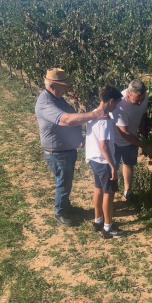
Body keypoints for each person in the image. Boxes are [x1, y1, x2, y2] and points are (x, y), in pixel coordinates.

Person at [35, 68, 108, 226]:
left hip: (66, 151)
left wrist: (77, 137)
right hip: (58, 153)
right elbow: (67, 120)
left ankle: (66, 206)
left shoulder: (56, 97)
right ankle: (60, 212)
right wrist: (95, 114)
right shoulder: (45, 103)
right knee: (63, 182)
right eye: (63, 85)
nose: (65, 88)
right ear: (52, 85)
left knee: (66, 181)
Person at [86, 85, 125, 239]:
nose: (116, 107)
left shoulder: (93, 115)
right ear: (110, 101)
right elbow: (104, 145)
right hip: (103, 161)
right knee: (109, 193)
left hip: (93, 159)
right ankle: (108, 228)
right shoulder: (105, 120)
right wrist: (112, 165)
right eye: (116, 104)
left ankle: (98, 220)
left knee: (98, 189)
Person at [112, 79, 152, 202]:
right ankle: (109, 194)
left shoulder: (143, 97)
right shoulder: (119, 105)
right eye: (136, 100)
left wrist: (143, 132)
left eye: (141, 100)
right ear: (128, 94)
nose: (139, 103)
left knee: (129, 164)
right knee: (112, 168)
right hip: (115, 141)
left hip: (132, 137)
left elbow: (142, 114)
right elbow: (124, 133)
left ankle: (127, 192)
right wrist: (144, 145)